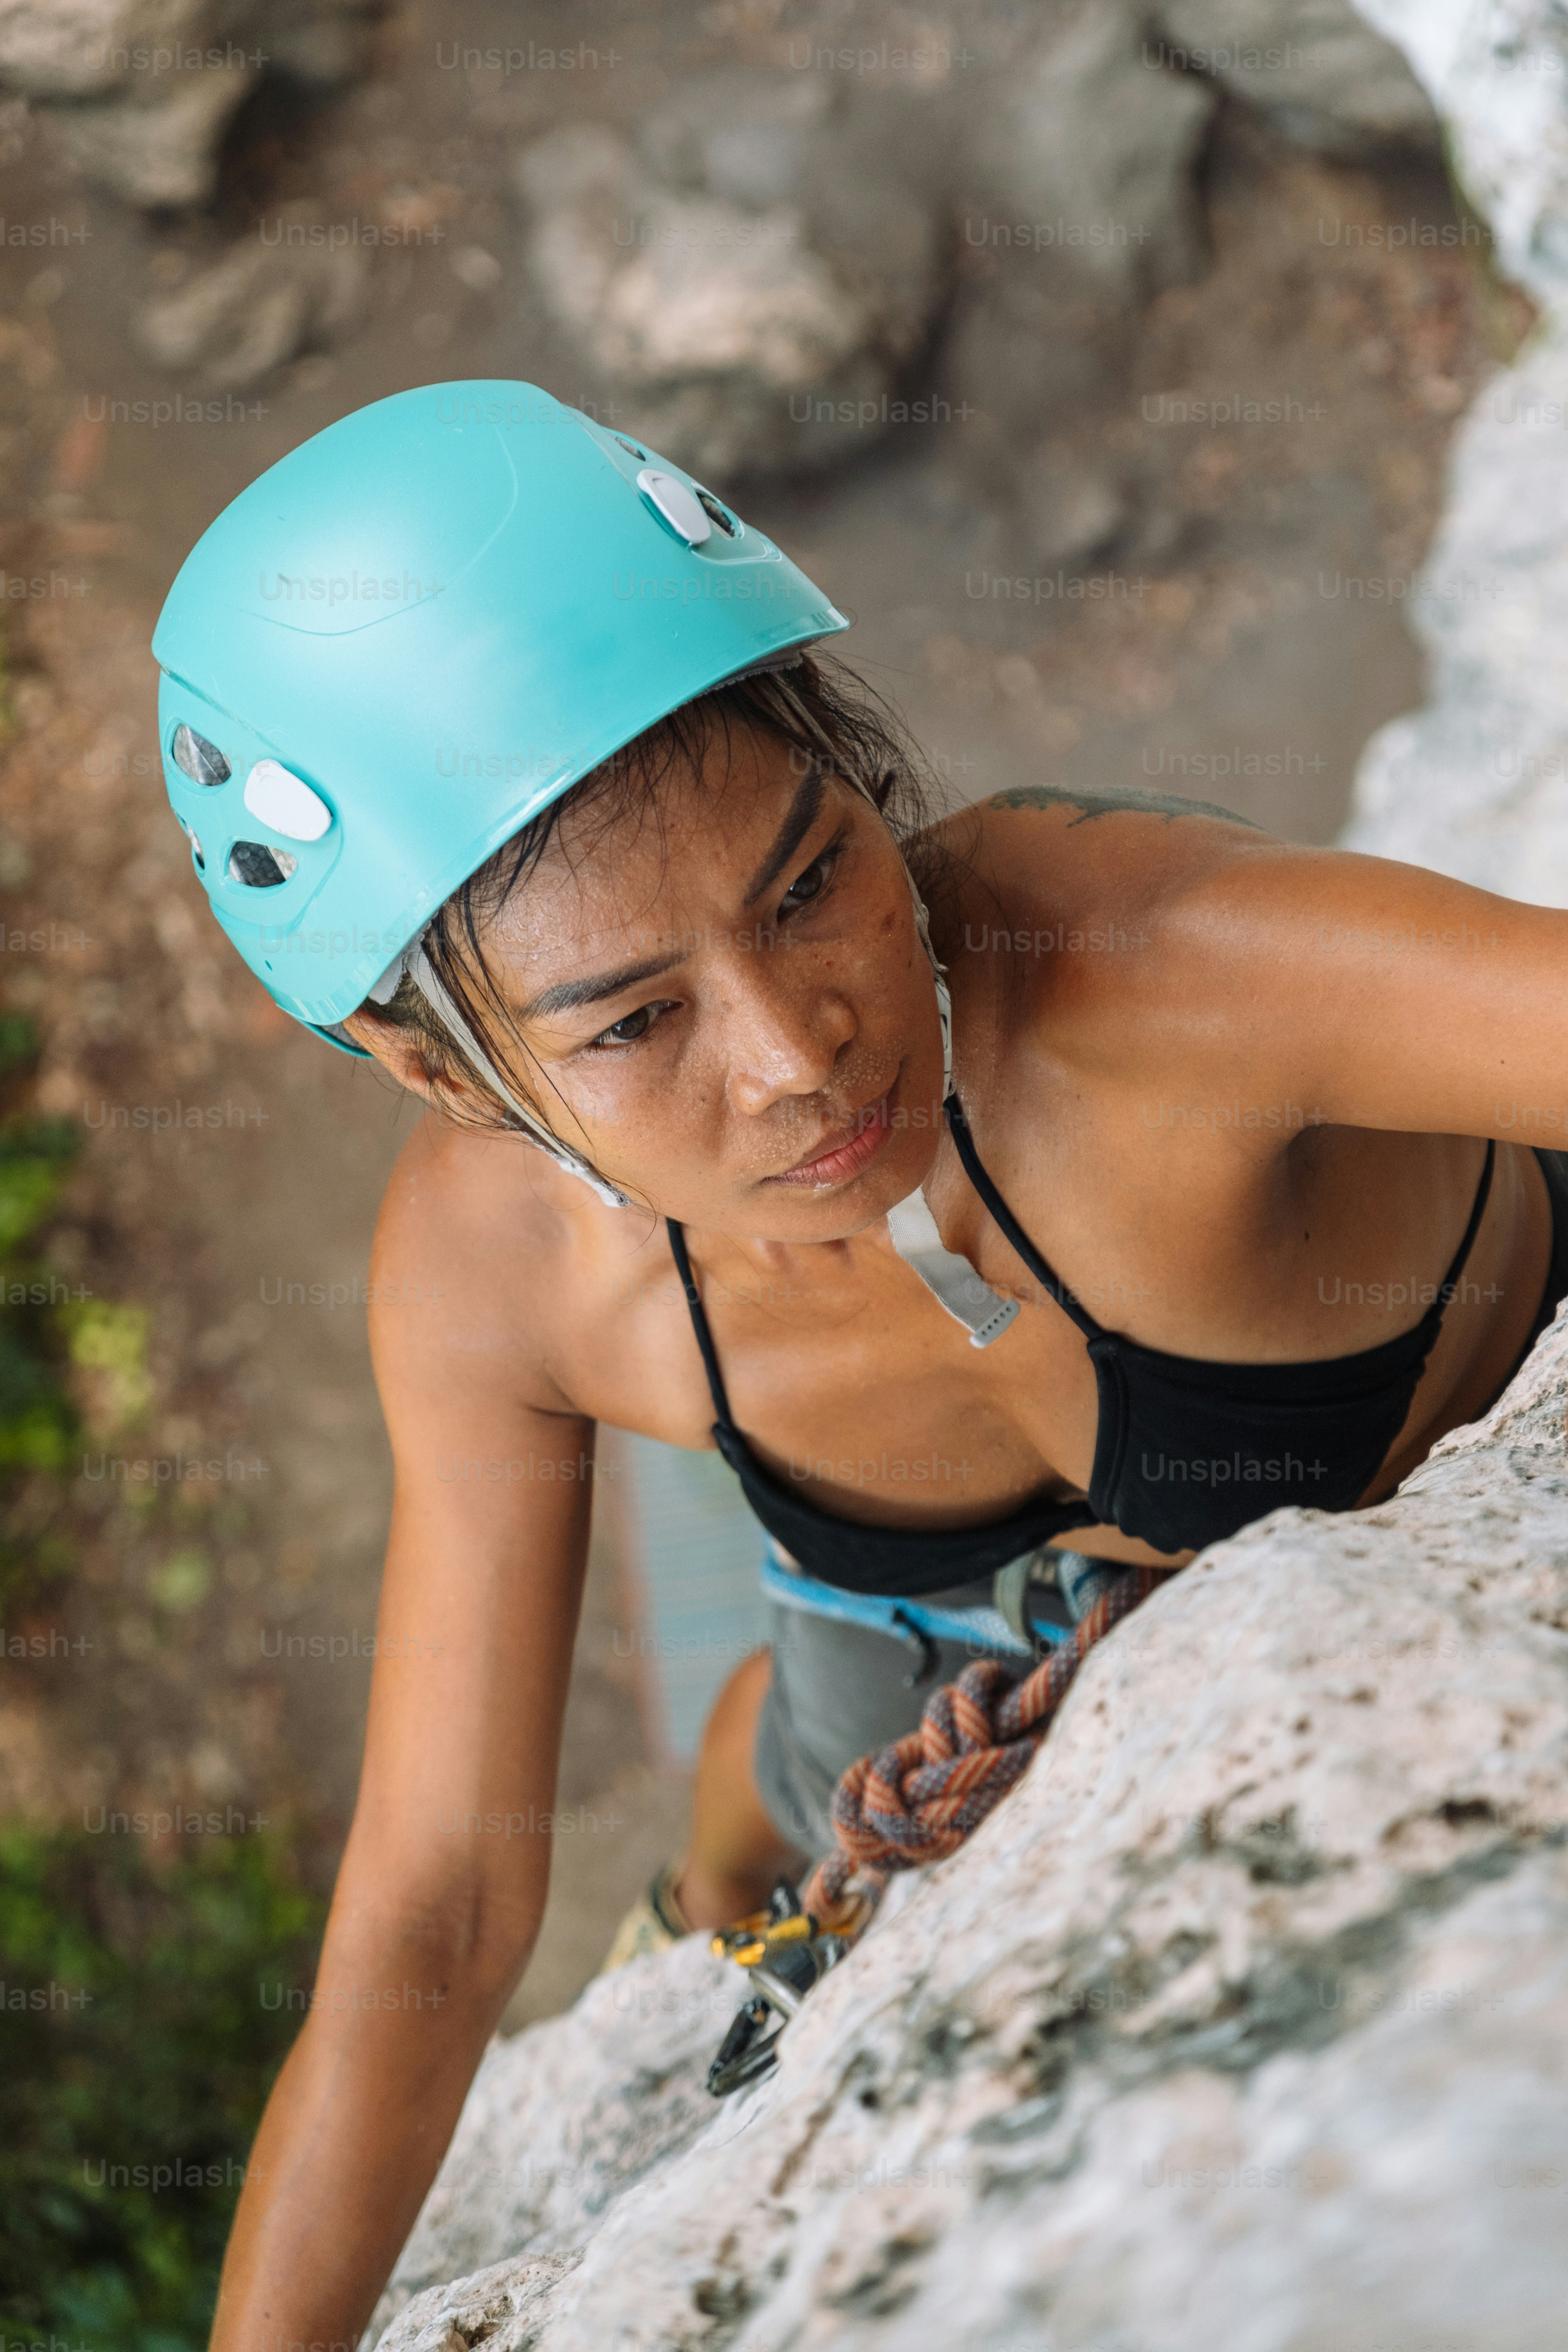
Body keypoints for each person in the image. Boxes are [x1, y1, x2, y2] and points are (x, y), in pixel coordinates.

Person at [155, 383, 1568, 2352]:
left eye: (811, 881)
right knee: (798, 1770)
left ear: (853, 754)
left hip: (1172, 1556)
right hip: (896, 1625)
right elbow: (436, 1914)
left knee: (824, 1704)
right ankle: (706, 1887)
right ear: (436, 1076)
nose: (802, 1056)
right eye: (635, 1021)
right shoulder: (502, 1278)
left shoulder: (1157, 977)